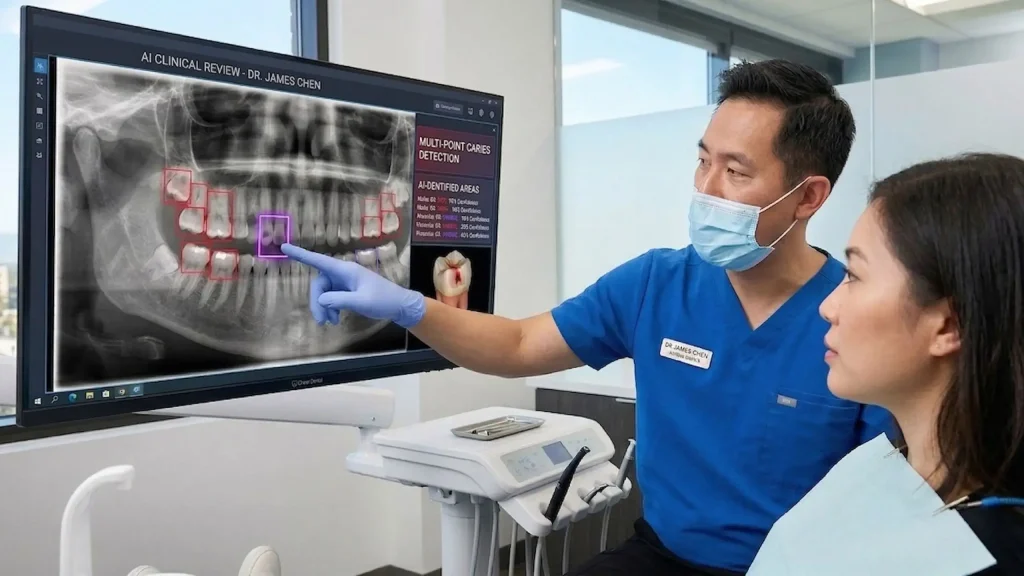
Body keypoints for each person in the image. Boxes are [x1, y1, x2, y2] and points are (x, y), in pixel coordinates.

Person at [281, 59, 891, 575]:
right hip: (662, 556)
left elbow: (886, 502)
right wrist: (411, 307)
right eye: (703, 161)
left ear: (808, 196)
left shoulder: (857, 318)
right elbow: (519, 344)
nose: (706, 188)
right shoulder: (656, 284)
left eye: (735, 172)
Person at [754, 153, 1024, 574]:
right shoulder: (886, 463)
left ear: (948, 325)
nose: (828, 307)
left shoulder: (985, 557)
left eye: (855, 276)